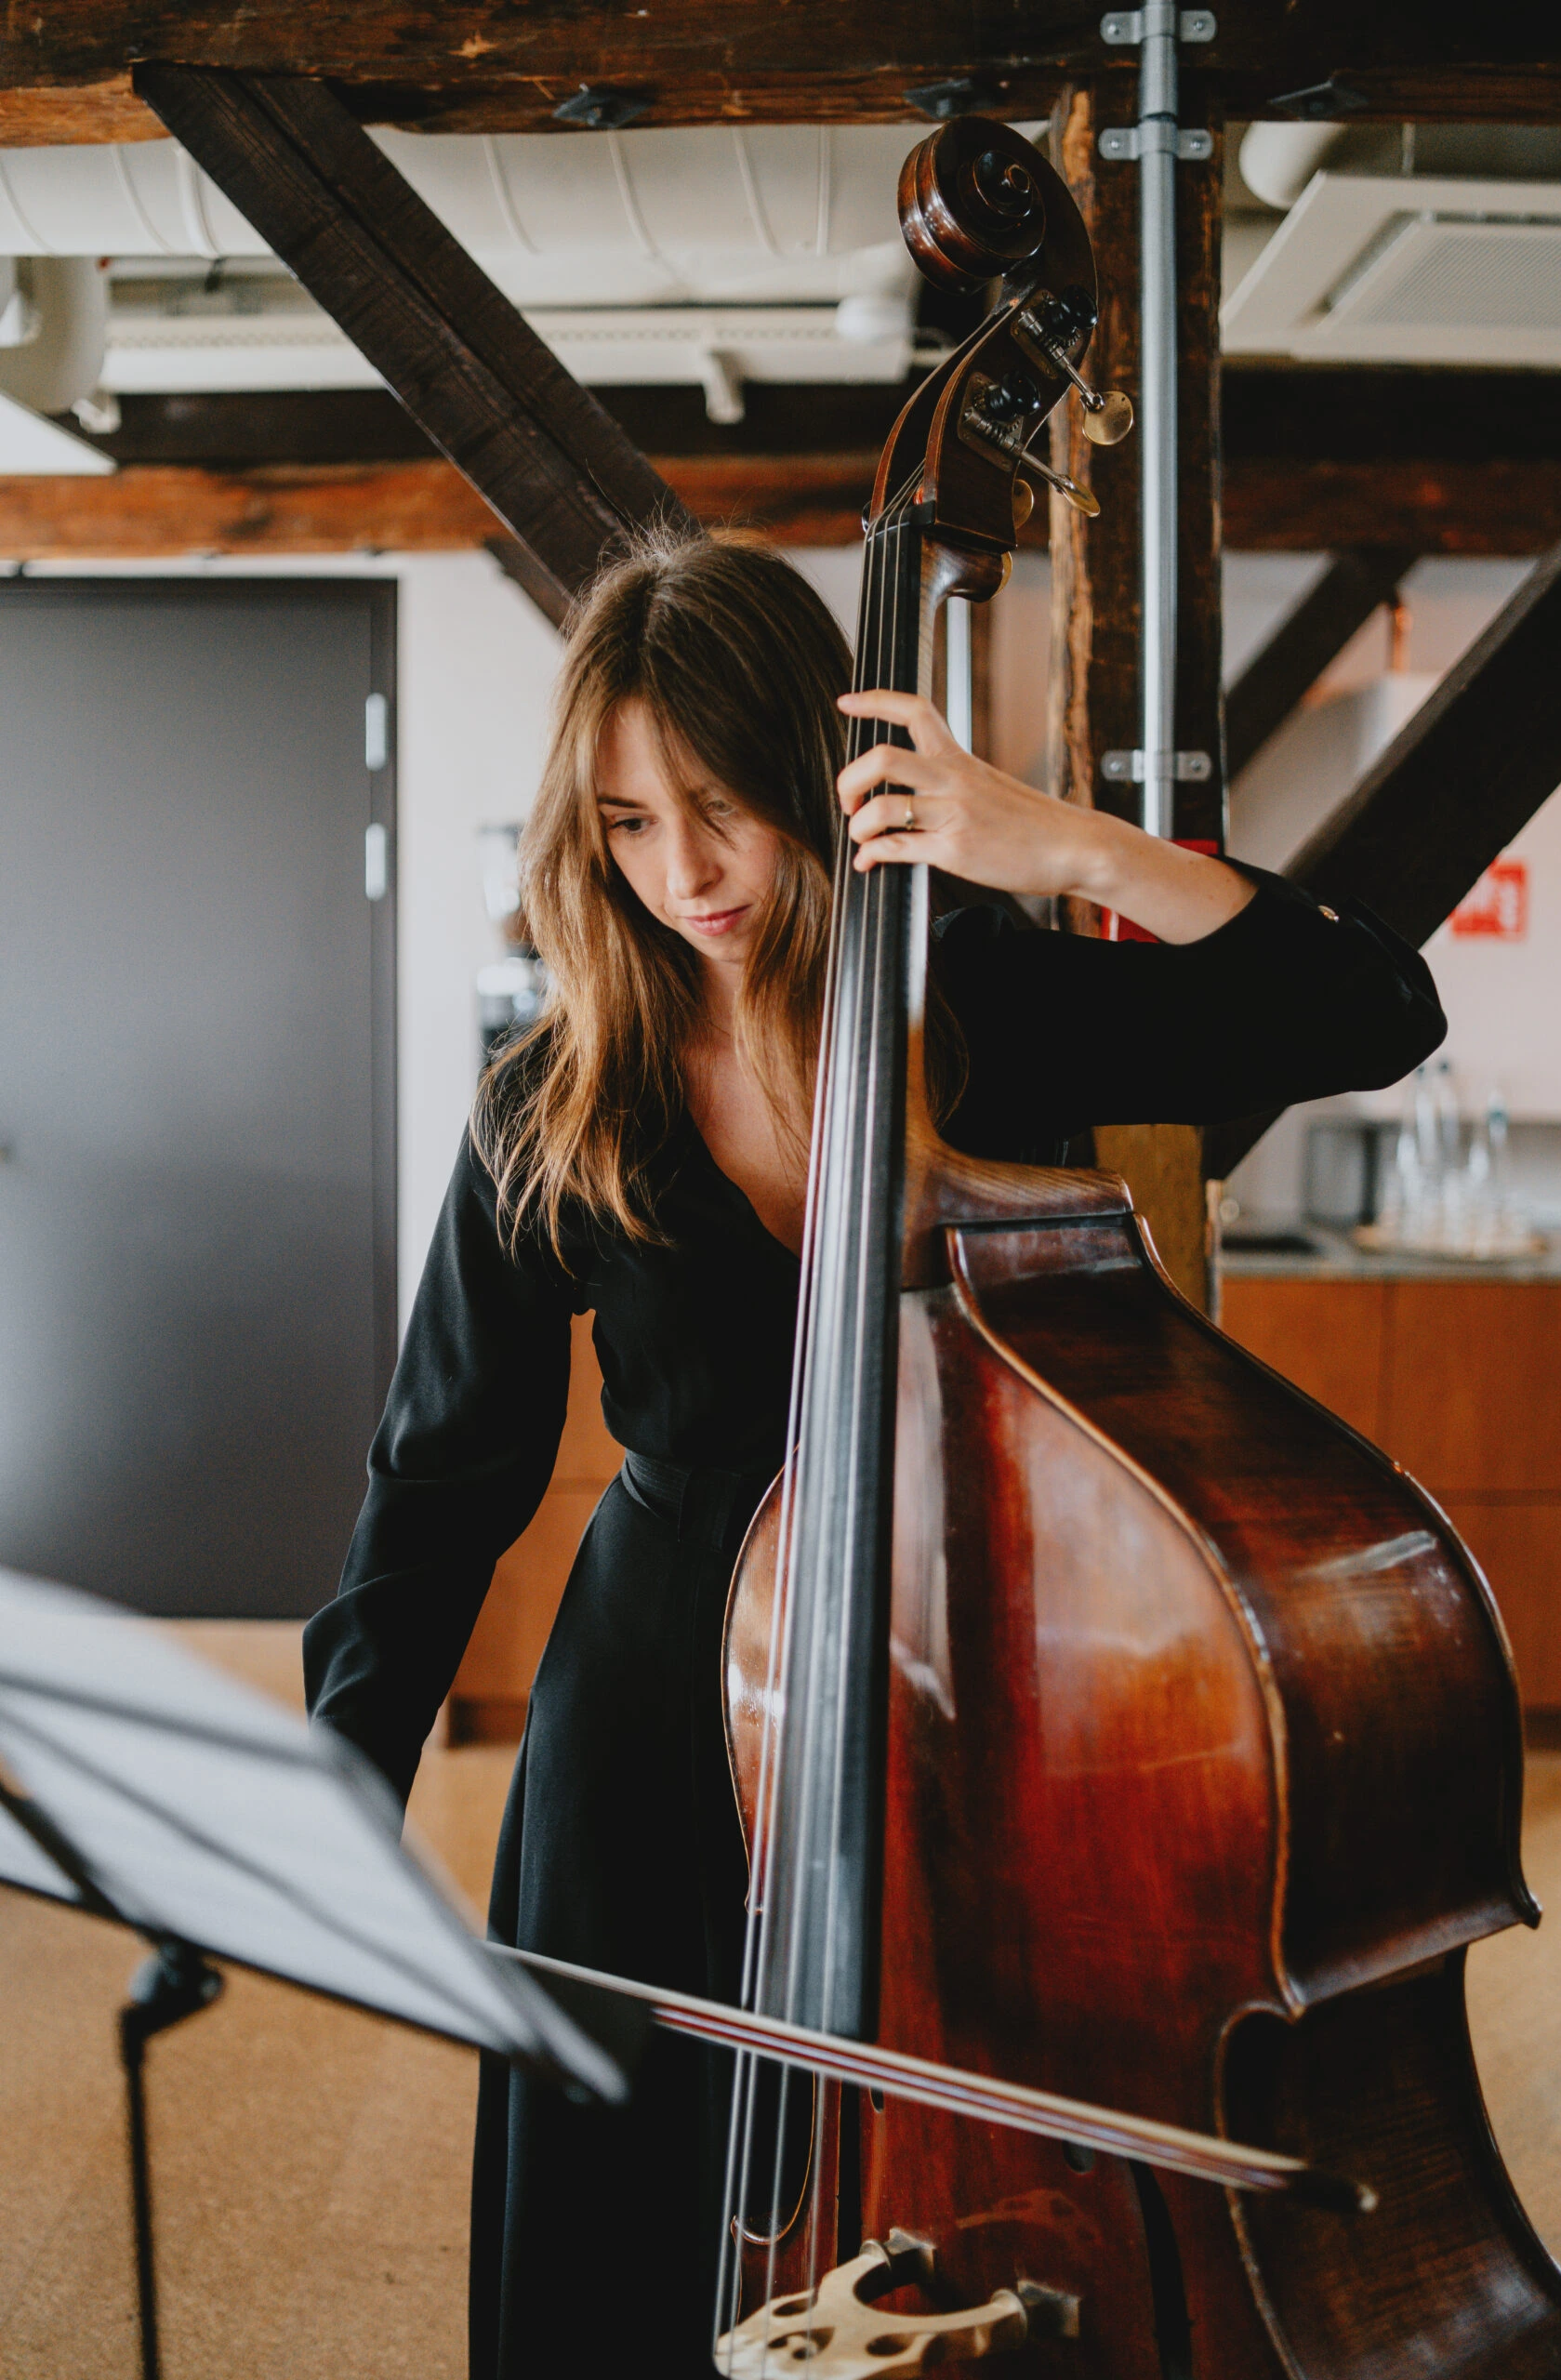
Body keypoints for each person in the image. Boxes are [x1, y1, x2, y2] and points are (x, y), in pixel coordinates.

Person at [303, 525, 1445, 2379]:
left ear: (818, 781)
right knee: (614, 2234)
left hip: (956, 1705)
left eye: (724, 805)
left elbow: (1373, 1014)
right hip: (655, 1718)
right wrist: (335, 1788)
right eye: (623, 823)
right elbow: (442, 1475)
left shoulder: (975, 993)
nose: (684, 872)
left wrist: (1061, 842)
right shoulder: (557, 1090)